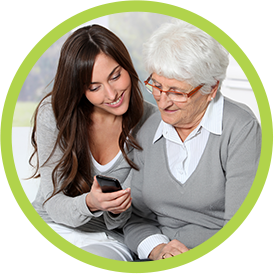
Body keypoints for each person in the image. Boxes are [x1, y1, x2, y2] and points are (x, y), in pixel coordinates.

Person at [120, 20, 262, 261]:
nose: (162, 102)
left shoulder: (240, 129)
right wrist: (157, 250)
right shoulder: (147, 130)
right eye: (157, 85)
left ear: (211, 88)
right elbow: (136, 218)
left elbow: (244, 227)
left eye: (177, 92)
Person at [29, 24, 157, 261]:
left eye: (116, 76)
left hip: (107, 239)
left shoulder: (151, 121)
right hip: (50, 225)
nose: (111, 94)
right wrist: (90, 203)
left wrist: (114, 208)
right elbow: (52, 201)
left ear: (128, 67)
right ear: (80, 89)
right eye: (94, 87)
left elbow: (139, 213)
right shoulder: (54, 113)